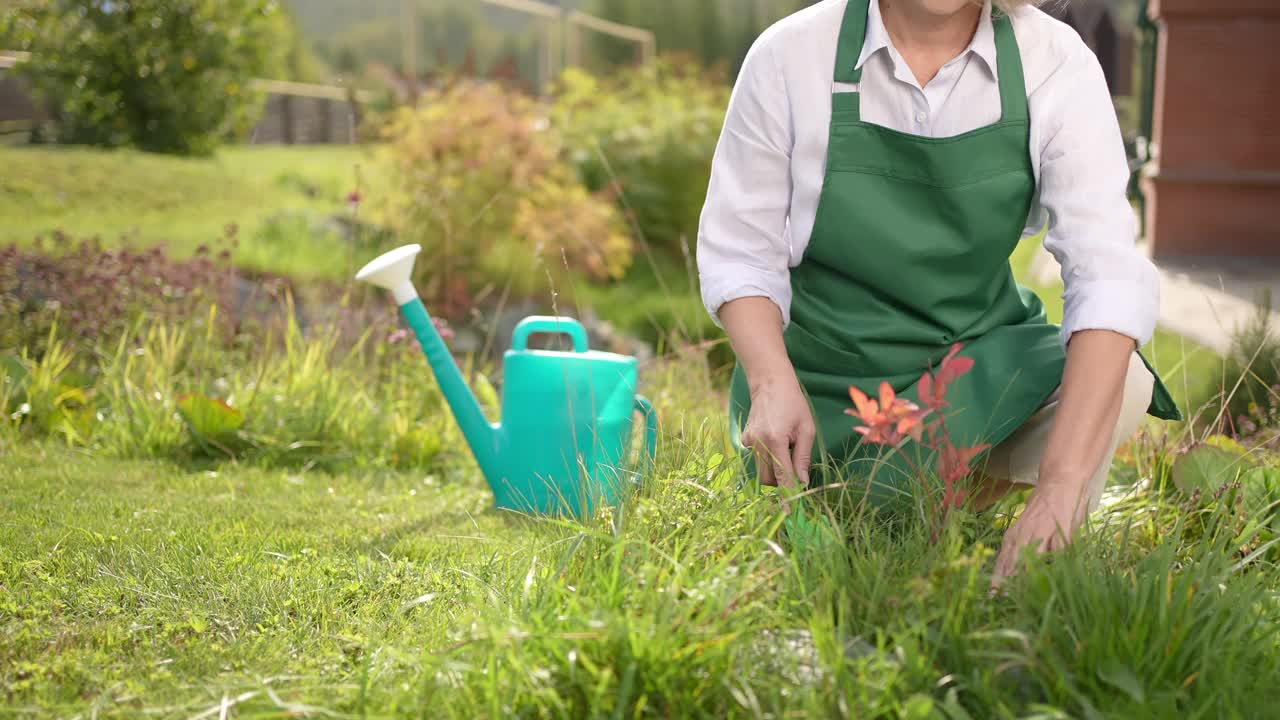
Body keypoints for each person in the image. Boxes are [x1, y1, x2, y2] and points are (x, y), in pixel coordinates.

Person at [696, 0, 1181, 582]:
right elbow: (741, 251)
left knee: (1122, 379)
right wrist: (772, 382)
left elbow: (1106, 274)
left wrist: (1062, 488)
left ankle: (979, 518)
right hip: (821, 381)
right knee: (837, 520)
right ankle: (899, 509)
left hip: (971, 365)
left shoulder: (1053, 61)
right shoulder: (790, 54)